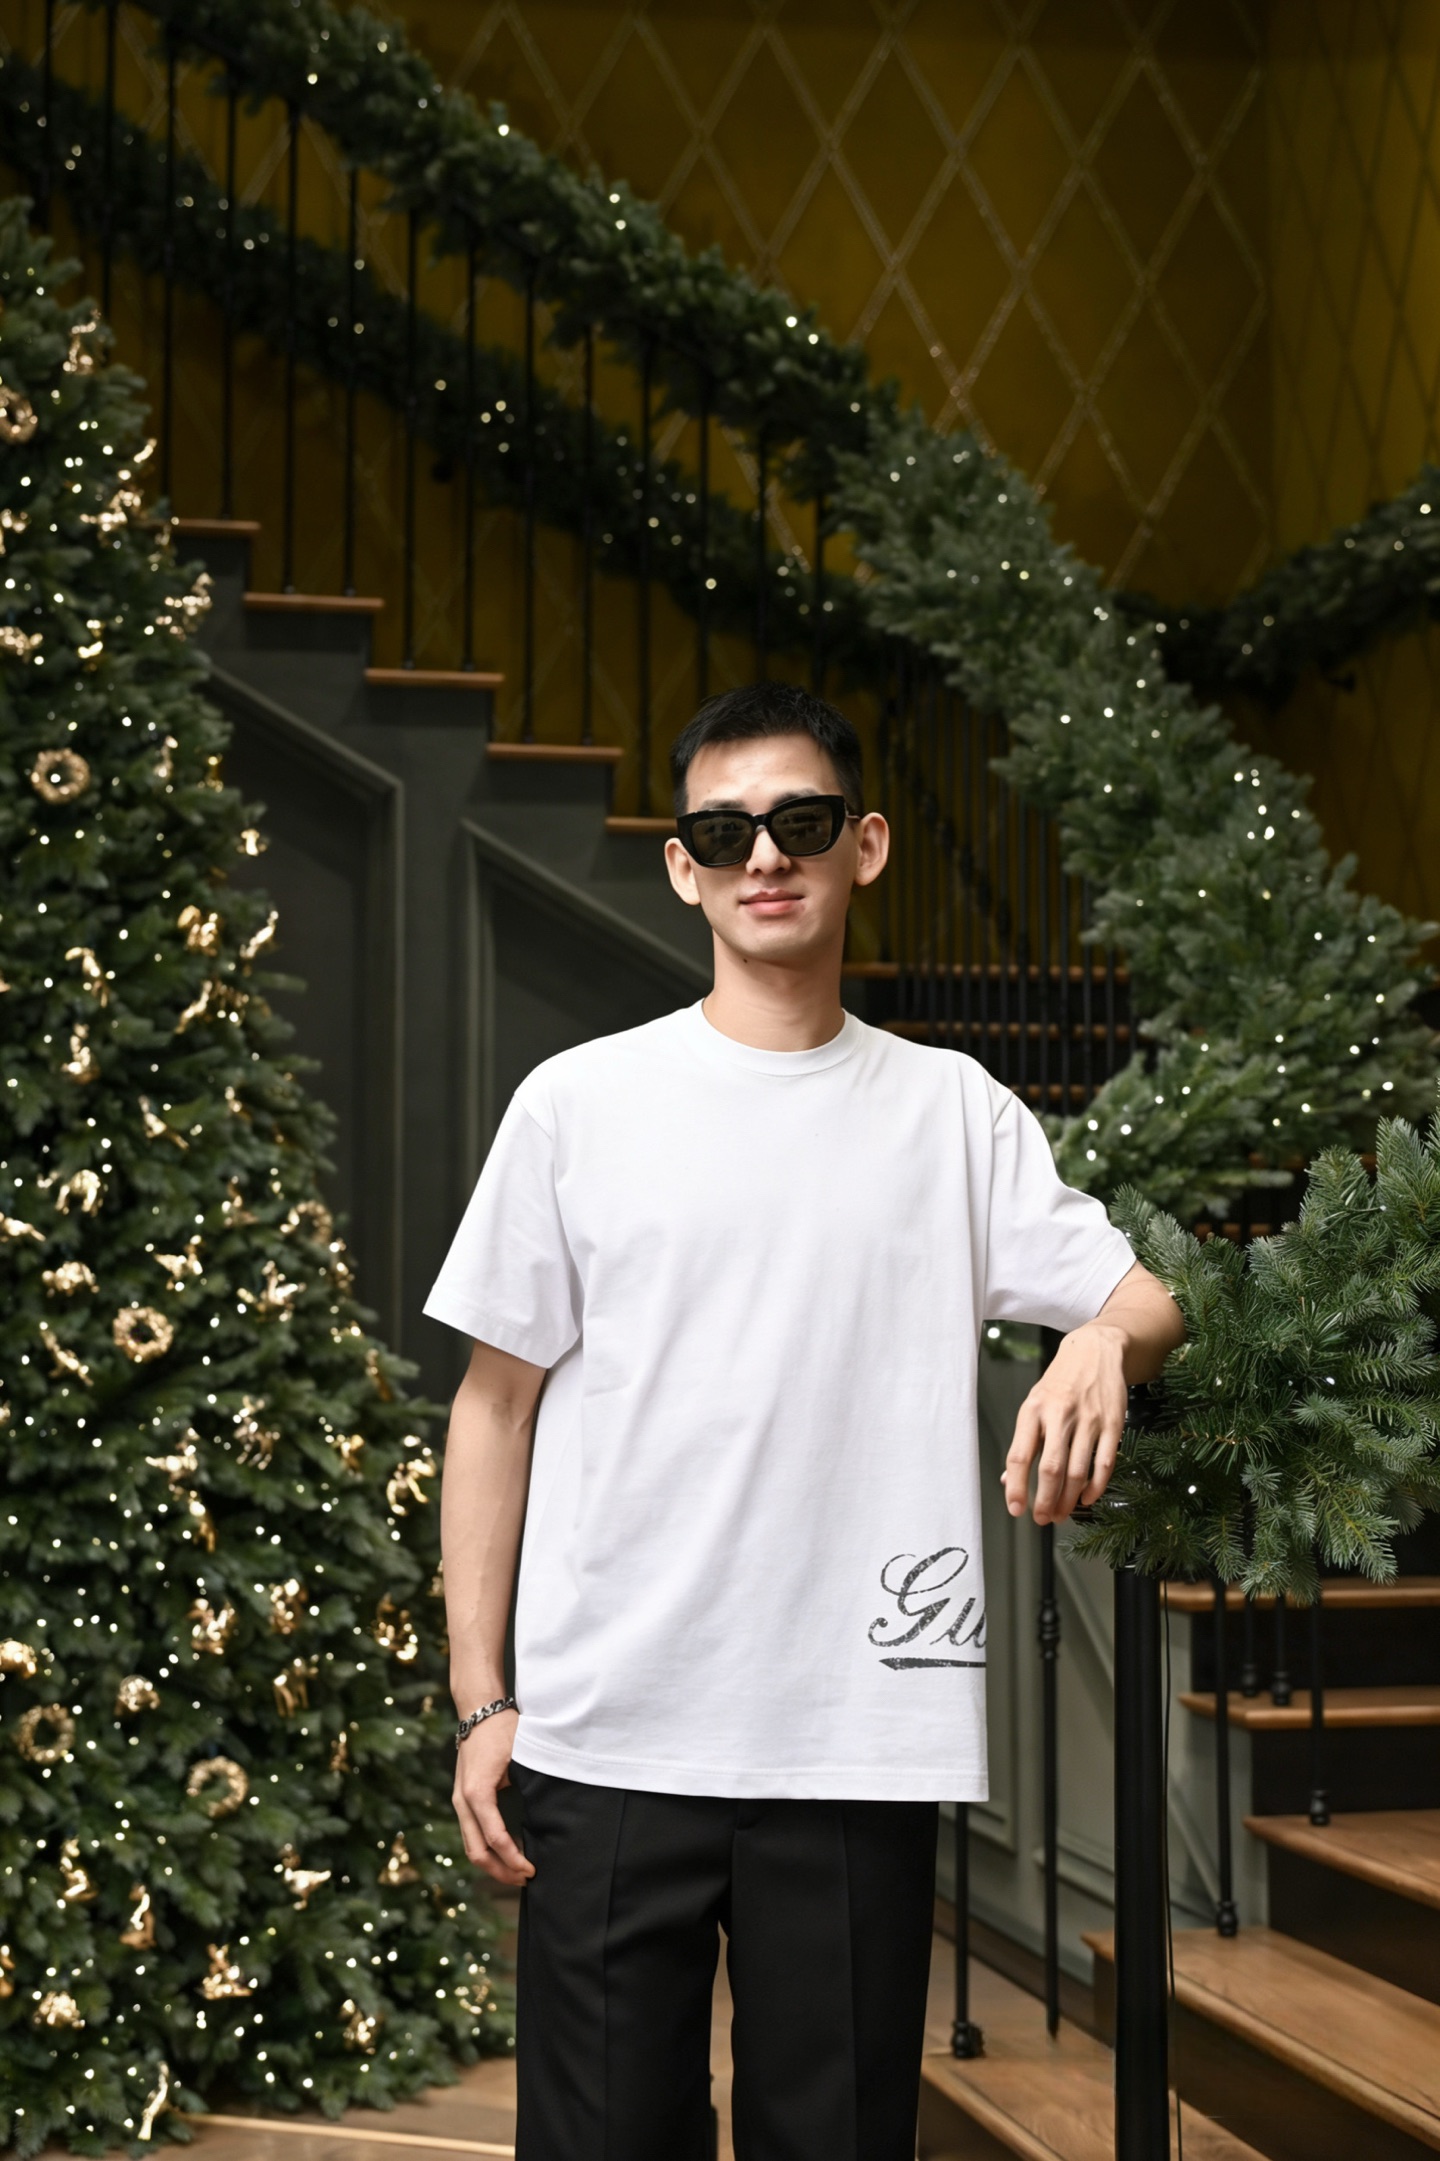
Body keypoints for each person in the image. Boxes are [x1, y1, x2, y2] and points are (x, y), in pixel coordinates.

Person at [426, 682, 1184, 2161]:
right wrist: (479, 1695)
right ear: (684, 866)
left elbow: (1146, 1295)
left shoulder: (955, 1113)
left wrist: (1100, 1339)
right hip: (608, 1735)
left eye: (801, 821)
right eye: (724, 831)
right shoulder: (579, 1104)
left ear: (865, 845)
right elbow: (493, 1408)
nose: (764, 855)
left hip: (858, 1741)